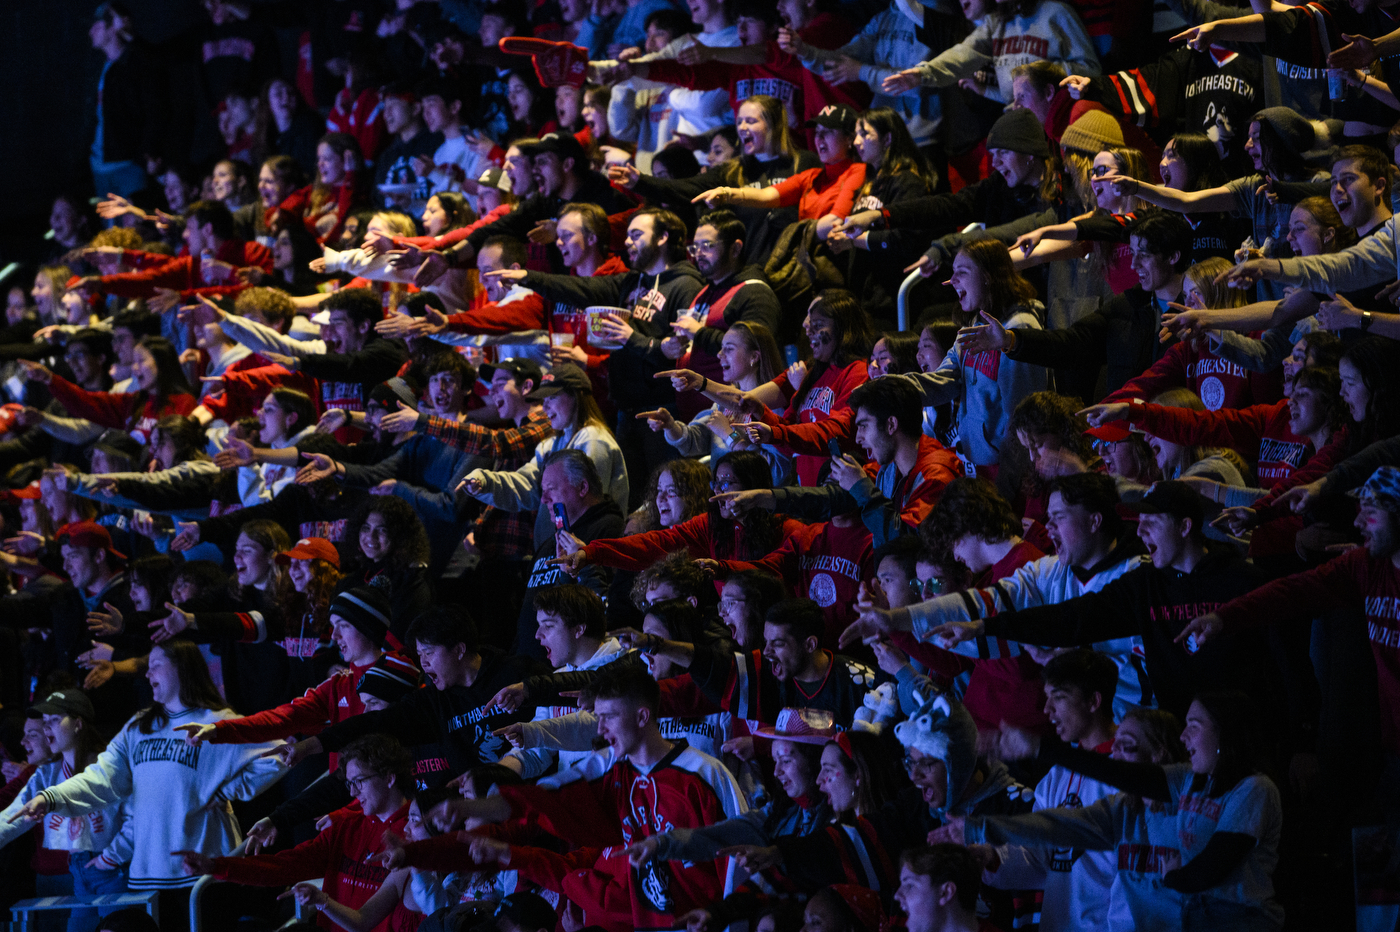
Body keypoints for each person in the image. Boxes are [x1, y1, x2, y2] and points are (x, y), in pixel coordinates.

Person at [944, 691, 1285, 931]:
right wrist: (981, 830)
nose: (1115, 758)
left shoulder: (1251, 789)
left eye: (1128, 748)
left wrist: (1040, 748)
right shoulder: (1134, 804)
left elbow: (1213, 868)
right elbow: (1060, 826)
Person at [6, 640, 287, 893]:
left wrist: (227, 790)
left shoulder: (216, 721)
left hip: (205, 869)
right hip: (148, 875)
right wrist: (50, 797)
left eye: (155, 666)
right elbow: (101, 777)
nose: (148, 674)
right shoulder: (139, 726)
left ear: (182, 669)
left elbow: (278, 754)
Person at [266, 606, 547, 788]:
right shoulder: (433, 701)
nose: (423, 664)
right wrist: (310, 745)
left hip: (532, 790)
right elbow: (376, 723)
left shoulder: (517, 673)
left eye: (429, 653)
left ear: (460, 650)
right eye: (419, 655)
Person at [176, 735, 414, 932]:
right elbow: (284, 866)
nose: (353, 792)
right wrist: (215, 866)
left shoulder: (414, 832)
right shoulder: (348, 827)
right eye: (349, 784)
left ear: (389, 777)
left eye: (359, 781)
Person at [0, 690, 130, 932]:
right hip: (78, 869)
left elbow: (134, 818)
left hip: (114, 869)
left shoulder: (108, 765)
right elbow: (14, 815)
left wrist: (112, 855)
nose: (47, 728)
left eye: (54, 720)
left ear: (78, 723)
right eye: (45, 722)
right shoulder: (47, 773)